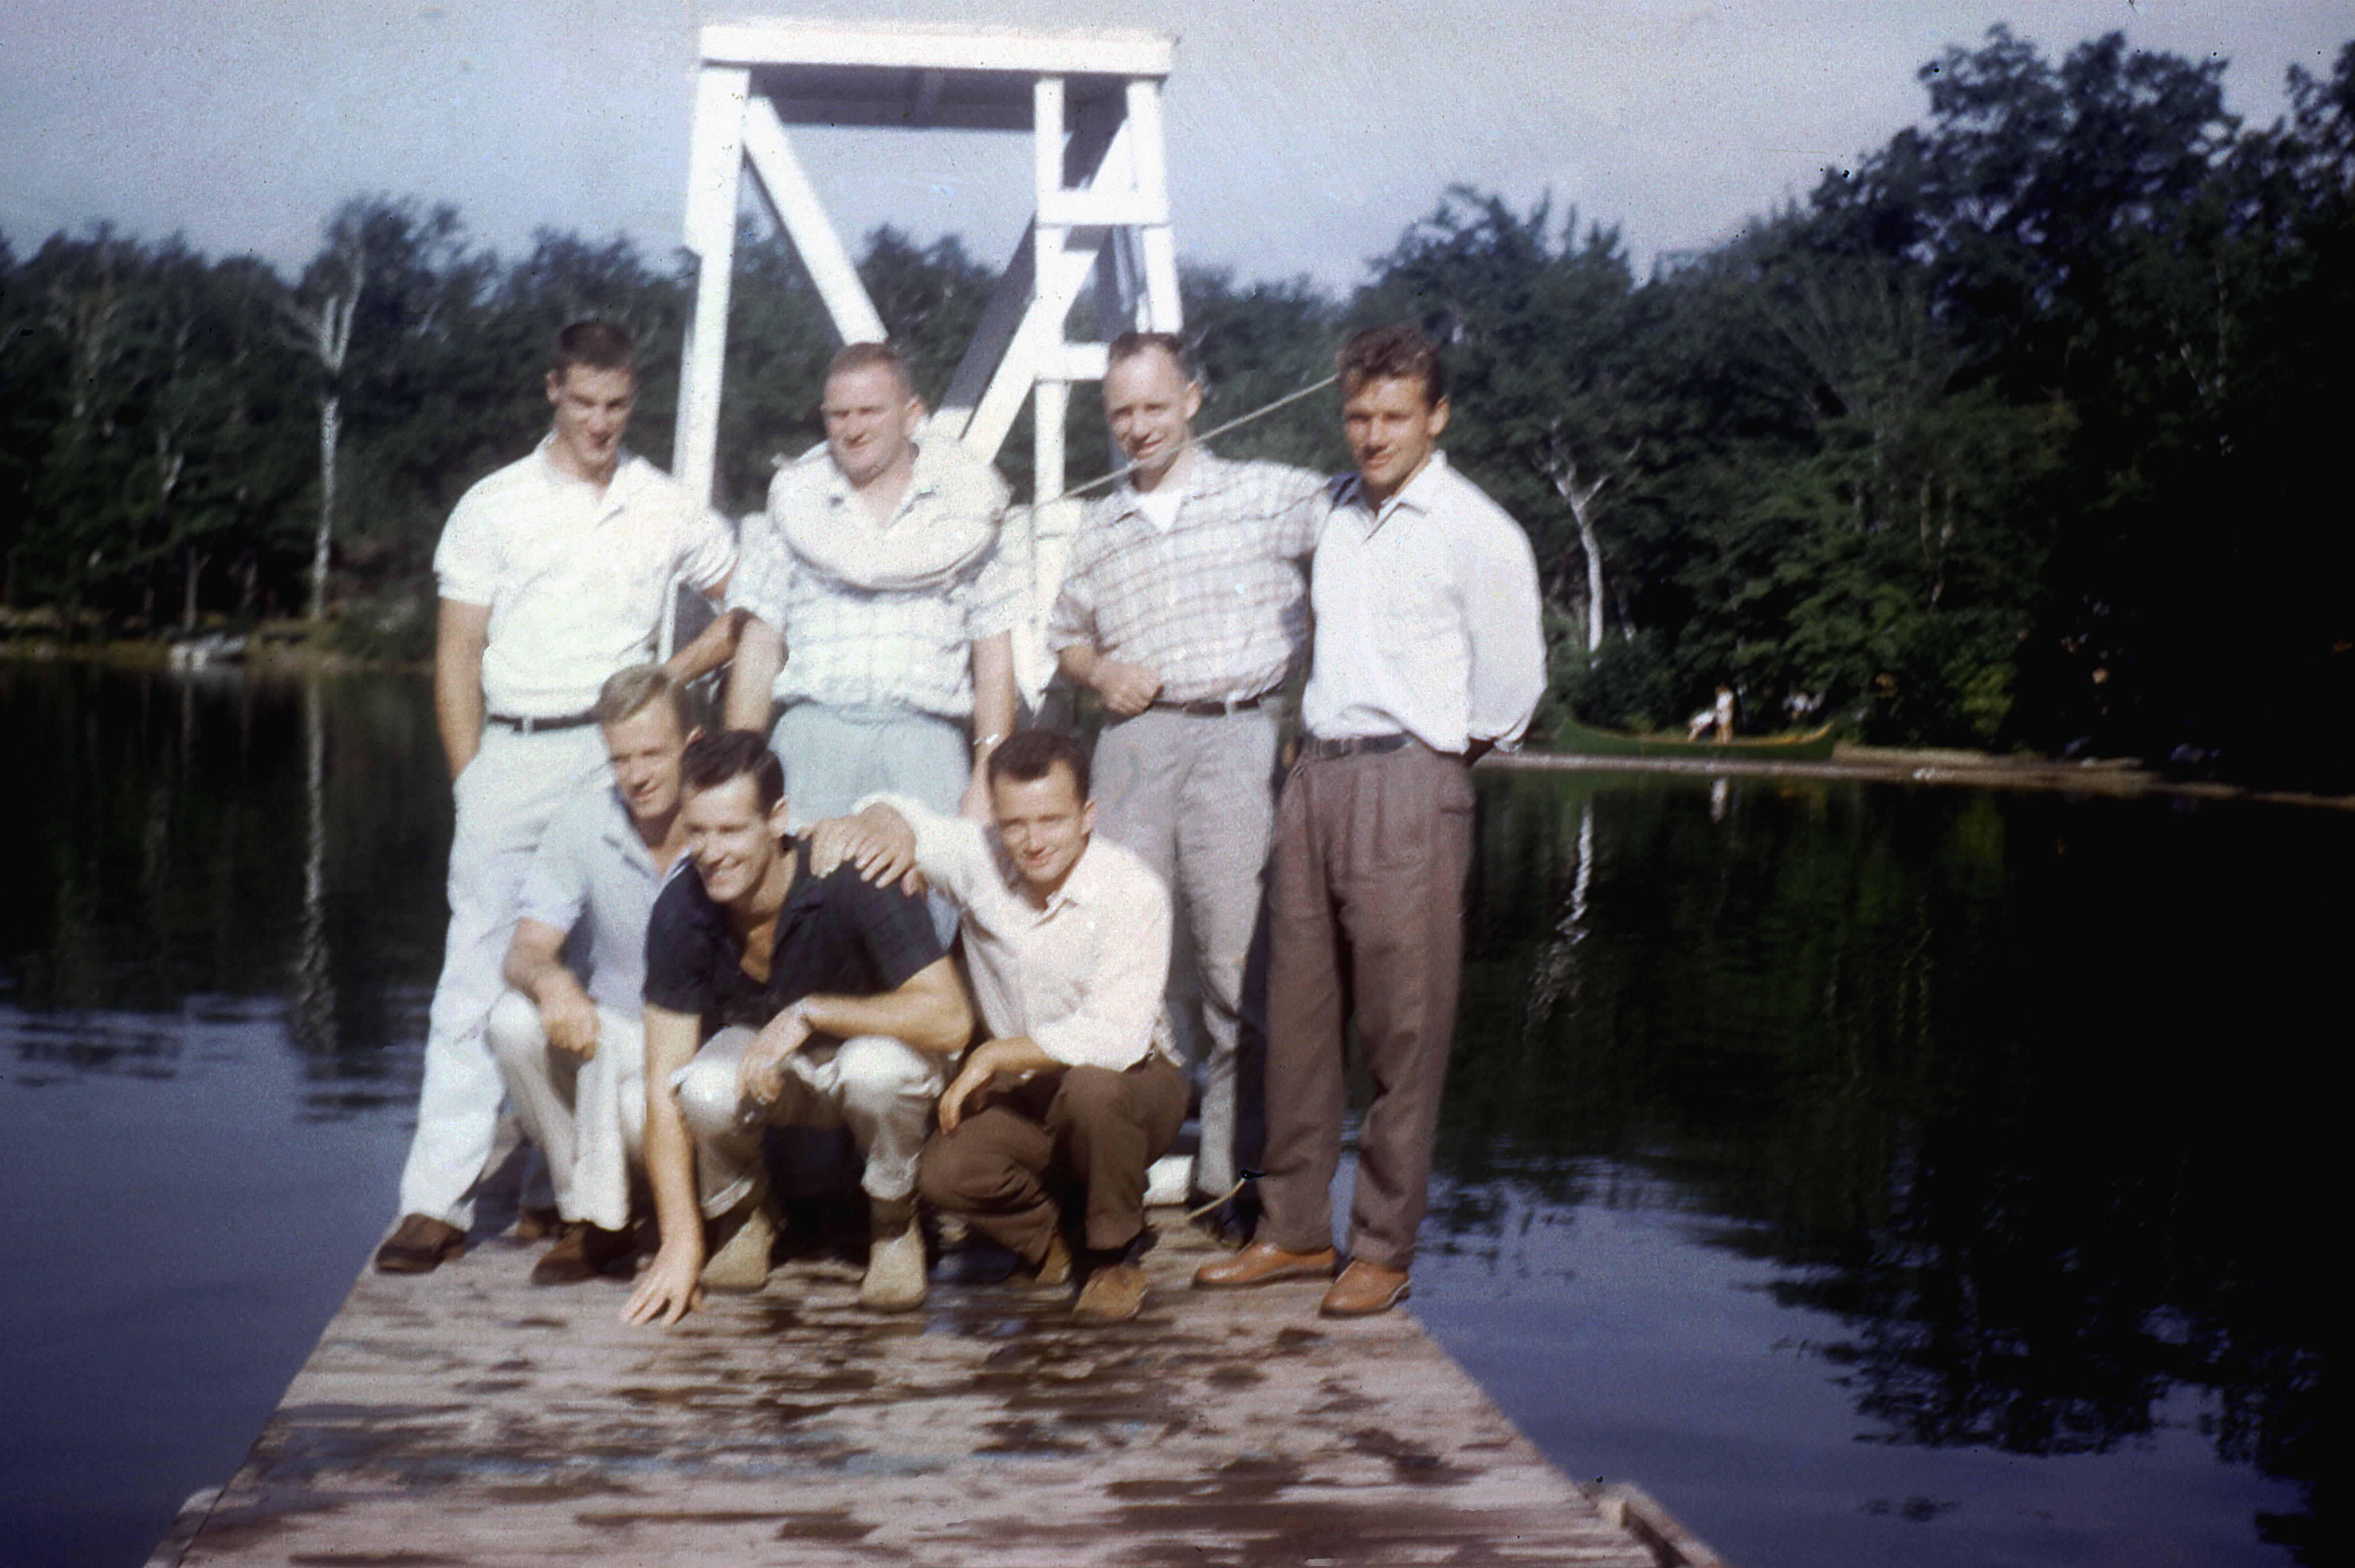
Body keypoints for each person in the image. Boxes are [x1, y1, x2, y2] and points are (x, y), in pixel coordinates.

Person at [1193, 325, 1546, 1318]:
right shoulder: (1334, 513)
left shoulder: (1479, 529)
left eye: (1395, 415)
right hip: (1314, 776)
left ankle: (1383, 1244)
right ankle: (1295, 1228)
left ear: (1438, 415)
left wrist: (1432, 760)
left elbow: (1511, 691)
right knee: (1298, 1021)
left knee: (1403, 1029)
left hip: (1409, 778)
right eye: (1358, 414)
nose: (1373, 434)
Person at [374, 320, 738, 1275]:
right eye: (584, 403)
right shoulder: (492, 504)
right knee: (480, 974)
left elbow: (751, 601)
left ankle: (559, 1190)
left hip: (618, 749)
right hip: (515, 746)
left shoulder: (664, 504)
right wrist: (471, 780)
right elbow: (455, 653)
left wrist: (674, 668)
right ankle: (436, 1200)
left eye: (617, 405)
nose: (601, 423)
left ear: (633, 399)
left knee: (605, 972)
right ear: (553, 390)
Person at [1047, 331, 1323, 1215]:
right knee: (1127, 963)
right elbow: (1065, 639)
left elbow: (1364, 526)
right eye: (1121, 412)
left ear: (1194, 401)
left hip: (1236, 737)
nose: (1138, 427)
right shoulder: (1098, 525)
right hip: (1131, 746)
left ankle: (1230, 1180)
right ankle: (1122, 1171)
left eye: (1155, 407)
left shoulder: (1268, 495)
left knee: (1238, 969)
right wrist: (1098, 673)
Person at [812, 729, 1188, 1324]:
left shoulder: (1133, 889)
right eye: (1015, 823)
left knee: (1094, 1092)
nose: (1033, 841)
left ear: (1088, 815)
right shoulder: (979, 857)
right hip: (1029, 1086)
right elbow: (889, 808)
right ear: (996, 819)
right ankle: (1054, 1241)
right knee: (944, 1171)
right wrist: (887, 829)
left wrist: (991, 1057)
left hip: (1133, 1082)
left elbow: (1115, 1037)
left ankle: (1115, 1255)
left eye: (1052, 820)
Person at [623, 731, 974, 1327]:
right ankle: (744, 1214)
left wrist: (812, 1011)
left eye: (731, 830)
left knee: (878, 1070)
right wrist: (680, 1240)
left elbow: (951, 1017)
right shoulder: (683, 904)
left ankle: (893, 1222)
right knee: (697, 1088)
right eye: (698, 830)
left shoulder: (852, 873)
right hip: (772, 1073)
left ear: (779, 819)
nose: (711, 852)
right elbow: (661, 1084)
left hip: (869, 1058)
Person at [722, 342, 1020, 832]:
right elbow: (758, 652)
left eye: (870, 411)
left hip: (924, 744)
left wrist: (987, 774)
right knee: (798, 903)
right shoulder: (795, 512)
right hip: (810, 741)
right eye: (839, 414)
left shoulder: (967, 517)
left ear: (911, 415)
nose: (853, 429)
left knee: (929, 904)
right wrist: (737, 768)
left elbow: (994, 661)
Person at [484, 665, 700, 1285]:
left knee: (631, 1099)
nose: (636, 776)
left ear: (691, 746)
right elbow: (524, 951)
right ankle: (587, 1211)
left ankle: (614, 1217)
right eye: (620, 758)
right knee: (512, 1020)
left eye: (653, 754)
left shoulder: (721, 817)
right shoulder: (585, 818)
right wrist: (554, 983)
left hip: (691, 1047)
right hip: (609, 1035)